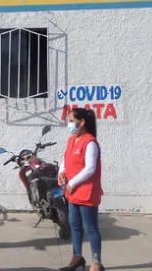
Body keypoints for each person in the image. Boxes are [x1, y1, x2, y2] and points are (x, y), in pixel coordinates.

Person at [58, 108, 105, 271]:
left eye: (71, 120)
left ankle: (96, 263)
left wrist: (73, 183)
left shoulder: (90, 142)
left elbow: (90, 168)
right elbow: (65, 158)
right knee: (75, 226)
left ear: (82, 122)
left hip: (86, 192)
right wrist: (61, 172)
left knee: (91, 228)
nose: (69, 124)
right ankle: (77, 257)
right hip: (72, 193)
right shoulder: (72, 139)